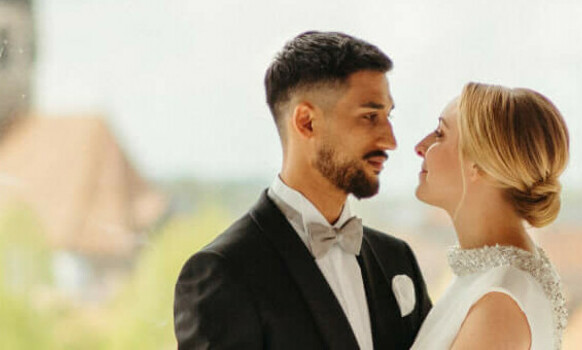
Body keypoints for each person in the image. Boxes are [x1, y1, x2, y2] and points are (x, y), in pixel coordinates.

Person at [173, 31, 433, 350]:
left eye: (387, 116)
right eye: (370, 117)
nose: (390, 140)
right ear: (307, 122)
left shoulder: (397, 258)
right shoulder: (225, 271)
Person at [408, 82, 571, 349]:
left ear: (480, 166)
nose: (420, 146)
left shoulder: (499, 300)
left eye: (440, 134)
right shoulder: (488, 282)